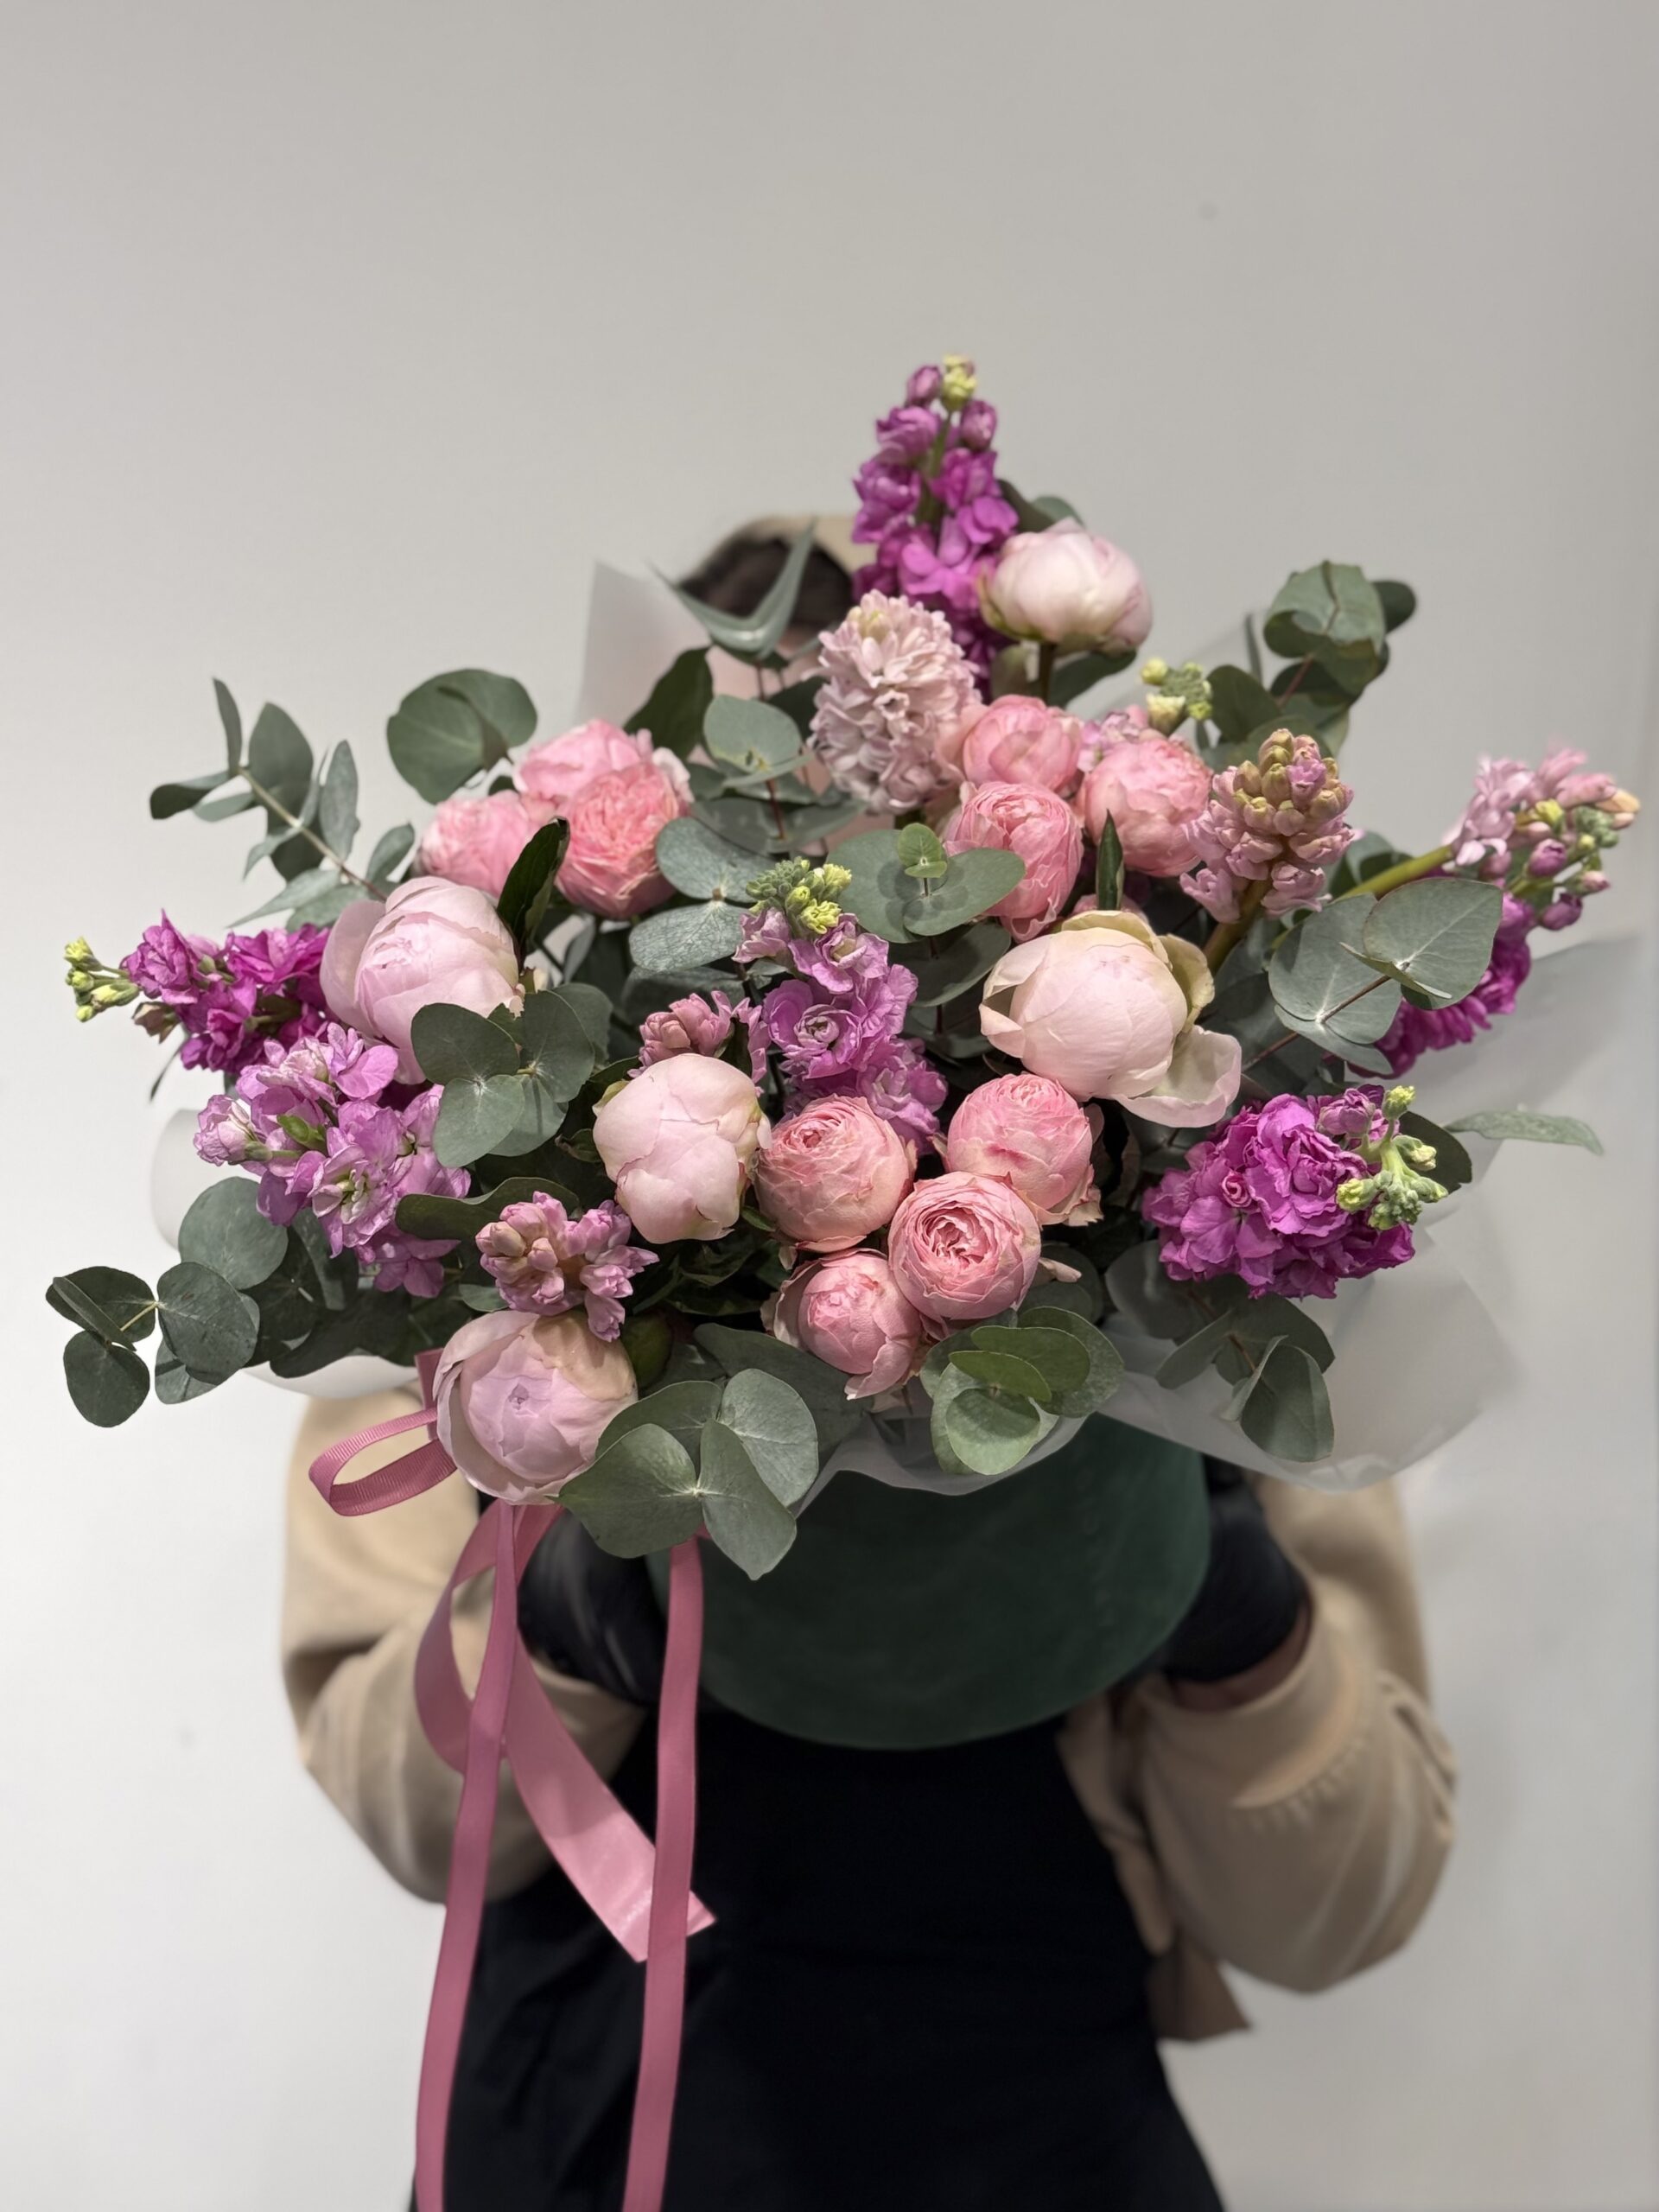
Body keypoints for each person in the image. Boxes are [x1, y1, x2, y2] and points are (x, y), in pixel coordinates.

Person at [278, 530, 1456, 2209]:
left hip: (1034, 2108)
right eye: (721, 845)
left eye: (840, 817)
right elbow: (405, 1812)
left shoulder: (1232, 1317)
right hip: (603, 2103)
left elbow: (1346, 1911)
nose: (774, 890)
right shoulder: (471, 1271)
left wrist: (1227, 1608)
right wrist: (577, 1613)